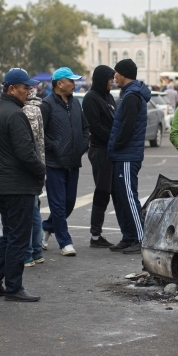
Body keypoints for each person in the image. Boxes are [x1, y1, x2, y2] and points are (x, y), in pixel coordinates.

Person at [0, 68, 45, 302]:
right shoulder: (15, 115)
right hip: (18, 185)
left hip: (2, 183)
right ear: (11, 89)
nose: (28, 91)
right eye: (24, 87)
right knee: (19, 237)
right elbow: (26, 154)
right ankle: (14, 287)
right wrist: (41, 171)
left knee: (9, 235)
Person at [40, 67, 89, 257]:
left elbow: (85, 128)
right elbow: (39, 134)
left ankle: (46, 227)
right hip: (54, 163)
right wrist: (55, 146)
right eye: (71, 81)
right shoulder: (47, 105)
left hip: (73, 162)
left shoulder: (76, 103)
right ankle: (65, 241)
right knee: (58, 204)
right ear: (60, 83)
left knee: (69, 203)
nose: (74, 84)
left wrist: (83, 145)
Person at [107, 59, 151, 254]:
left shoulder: (132, 96)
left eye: (116, 73)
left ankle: (141, 238)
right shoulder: (129, 94)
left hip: (127, 155)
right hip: (122, 154)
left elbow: (128, 126)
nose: (114, 76)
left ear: (123, 74)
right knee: (120, 197)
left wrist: (117, 144)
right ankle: (128, 236)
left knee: (129, 197)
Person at [81, 65, 119, 248]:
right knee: (103, 190)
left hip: (111, 149)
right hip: (100, 150)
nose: (112, 82)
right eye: (110, 79)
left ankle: (98, 234)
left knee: (111, 191)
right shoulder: (90, 98)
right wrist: (114, 137)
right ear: (102, 79)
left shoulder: (108, 96)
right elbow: (95, 127)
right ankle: (95, 235)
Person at [22, 83, 46, 268]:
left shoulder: (27, 110)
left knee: (29, 210)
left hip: (29, 166)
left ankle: (29, 253)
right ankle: (36, 251)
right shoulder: (37, 107)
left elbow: (28, 143)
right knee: (34, 209)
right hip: (38, 163)